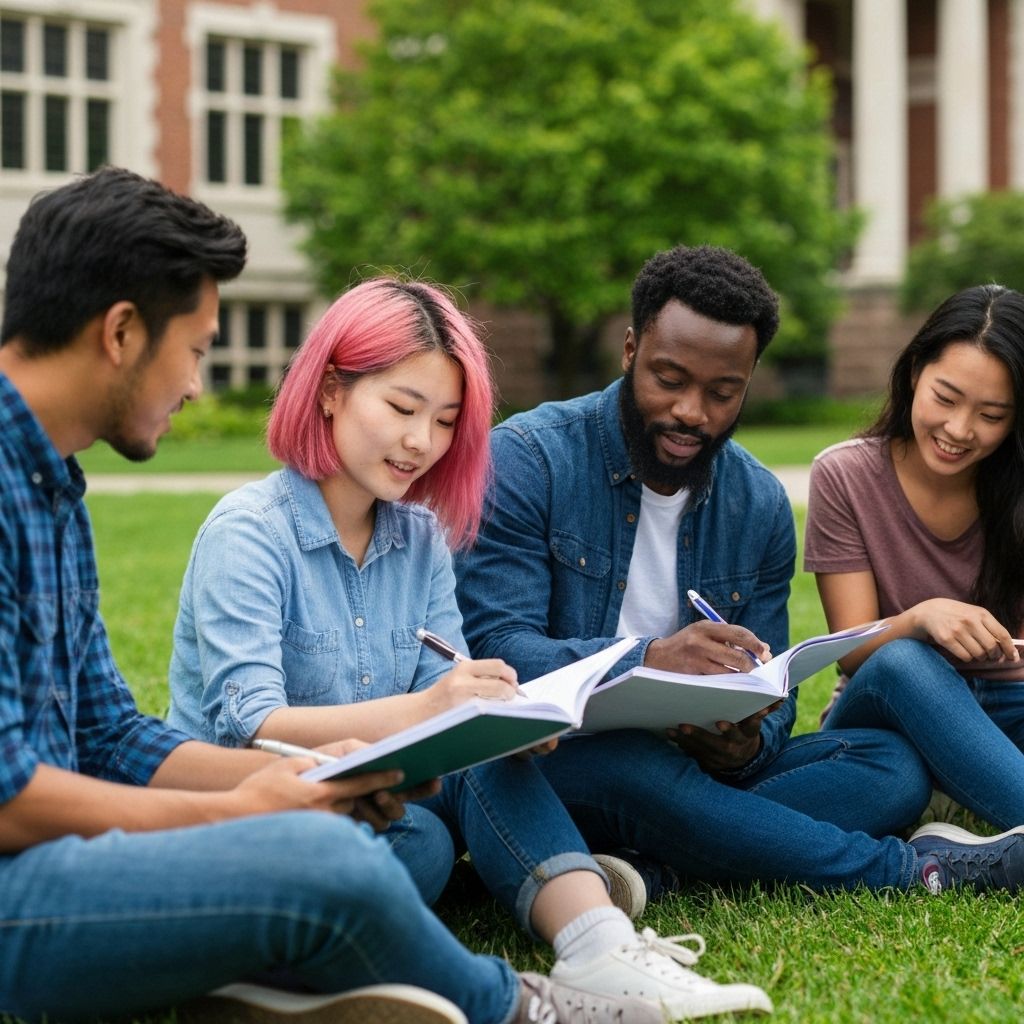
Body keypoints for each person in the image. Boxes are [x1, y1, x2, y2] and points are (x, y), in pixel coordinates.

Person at [0, 166, 672, 1024]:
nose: (199, 384)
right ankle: (515, 1008)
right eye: (200, 349)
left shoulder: (49, 487)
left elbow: (108, 732)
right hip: (26, 888)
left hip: (69, 860)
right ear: (123, 332)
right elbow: (10, 793)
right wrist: (246, 806)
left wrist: (308, 784)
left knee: (358, 837)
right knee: (334, 864)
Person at [168, 275, 774, 1020]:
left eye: (447, 420)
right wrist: (433, 705)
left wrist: (504, 713)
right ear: (330, 391)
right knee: (415, 833)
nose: (422, 441)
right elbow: (249, 725)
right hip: (251, 817)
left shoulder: (419, 535)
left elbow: (446, 682)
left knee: (446, 806)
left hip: (381, 812)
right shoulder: (250, 532)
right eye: (401, 407)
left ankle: (600, 945)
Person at [453, 244, 1024, 908]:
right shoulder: (528, 460)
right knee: (634, 766)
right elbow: (499, 644)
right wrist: (651, 658)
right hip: (561, 756)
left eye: (723, 392)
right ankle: (911, 871)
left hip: (696, 768)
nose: (694, 412)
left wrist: (746, 744)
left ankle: (655, 863)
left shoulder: (756, 503)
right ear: (630, 350)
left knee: (889, 769)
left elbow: (772, 686)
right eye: (670, 379)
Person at [806, 283, 1024, 849]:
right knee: (906, 660)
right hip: (888, 704)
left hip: (1009, 701)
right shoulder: (844, 475)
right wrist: (923, 617)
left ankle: (964, 782)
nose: (959, 430)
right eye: (945, 398)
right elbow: (852, 648)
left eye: (991, 414)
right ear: (912, 376)